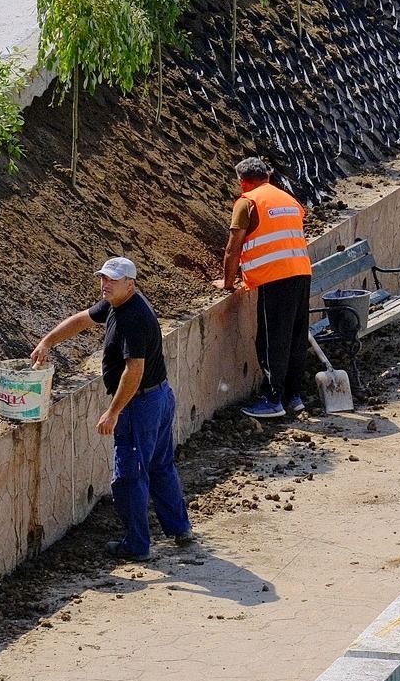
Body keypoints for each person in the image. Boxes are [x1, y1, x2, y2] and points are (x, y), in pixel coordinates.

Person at [31, 256, 193, 559]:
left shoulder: (132, 317)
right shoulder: (117, 303)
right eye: (103, 278)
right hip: (158, 398)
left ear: (130, 284)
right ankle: (179, 528)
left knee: (129, 476)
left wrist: (114, 411)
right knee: (160, 465)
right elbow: (82, 319)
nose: (105, 285)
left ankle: (137, 545)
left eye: (112, 280)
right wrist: (47, 342)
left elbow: (134, 370)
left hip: (139, 405)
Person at [215, 157, 314, 420]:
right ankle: (294, 396)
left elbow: (232, 248)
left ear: (242, 181)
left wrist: (227, 283)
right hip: (301, 273)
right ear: (267, 177)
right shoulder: (289, 200)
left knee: (272, 341)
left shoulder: (247, 202)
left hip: (275, 279)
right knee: (295, 337)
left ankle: (272, 399)